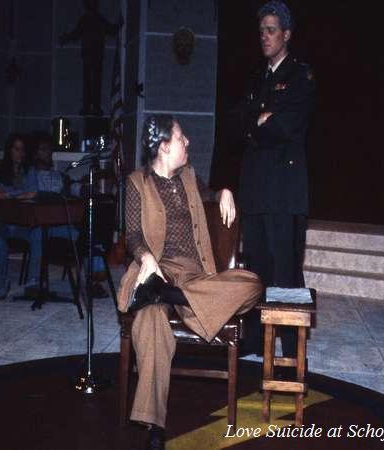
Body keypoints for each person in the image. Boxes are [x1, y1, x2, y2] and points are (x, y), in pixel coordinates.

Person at [117, 115, 262, 450]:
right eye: (182, 138)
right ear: (165, 146)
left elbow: (209, 194)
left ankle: (174, 296)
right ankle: (155, 425)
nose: (188, 143)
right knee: (151, 319)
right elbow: (134, 235)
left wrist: (223, 191)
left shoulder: (190, 177)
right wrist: (147, 259)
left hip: (195, 277)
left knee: (253, 284)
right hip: (157, 272)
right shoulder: (137, 182)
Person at [236, 1, 315, 356]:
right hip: (254, 188)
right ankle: (254, 339)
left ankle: (290, 346)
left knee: (285, 269)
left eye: (271, 30)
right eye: (261, 31)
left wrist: (265, 121)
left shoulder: (300, 76)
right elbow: (239, 122)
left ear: (286, 34)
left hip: (283, 191)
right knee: (256, 268)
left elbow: (287, 125)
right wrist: (260, 119)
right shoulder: (254, 78)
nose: (264, 37)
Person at [30, 131, 108, 298]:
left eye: (49, 149)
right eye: (44, 149)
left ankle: (93, 277)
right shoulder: (30, 175)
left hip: (60, 226)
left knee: (85, 234)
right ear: (35, 153)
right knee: (37, 234)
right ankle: (34, 282)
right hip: (39, 224)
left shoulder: (59, 176)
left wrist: (83, 188)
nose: (48, 153)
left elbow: (71, 187)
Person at [0, 133, 41, 300]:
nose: (20, 153)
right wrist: (17, 195)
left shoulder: (29, 171)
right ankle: (1, 284)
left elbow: (32, 193)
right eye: (16, 149)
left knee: (38, 233)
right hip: (0, 222)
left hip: (21, 223)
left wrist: (7, 195)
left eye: (22, 149)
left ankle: (32, 281)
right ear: (9, 150)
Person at [59, 0, 119, 116]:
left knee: (94, 82)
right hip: (90, 55)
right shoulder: (87, 19)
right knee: (89, 82)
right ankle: (89, 107)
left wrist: (118, 25)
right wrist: (66, 38)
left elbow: (110, 30)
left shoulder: (94, 19)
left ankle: (93, 107)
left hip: (95, 55)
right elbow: (76, 33)